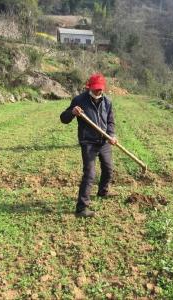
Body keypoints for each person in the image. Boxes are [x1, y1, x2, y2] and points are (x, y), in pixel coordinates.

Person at [60, 73, 117, 218]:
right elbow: (63, 118)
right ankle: (81, 208)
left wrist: (112, 135)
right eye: (96, 89)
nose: (99, 91)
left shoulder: (107, 102)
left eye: (100, 89)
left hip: (103, 141)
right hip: (88, 142)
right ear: (89, 87)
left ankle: (103, 191)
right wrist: (72, 112)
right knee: (90, 174)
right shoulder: (79, 100)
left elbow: (110, 121)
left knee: (108, 169)